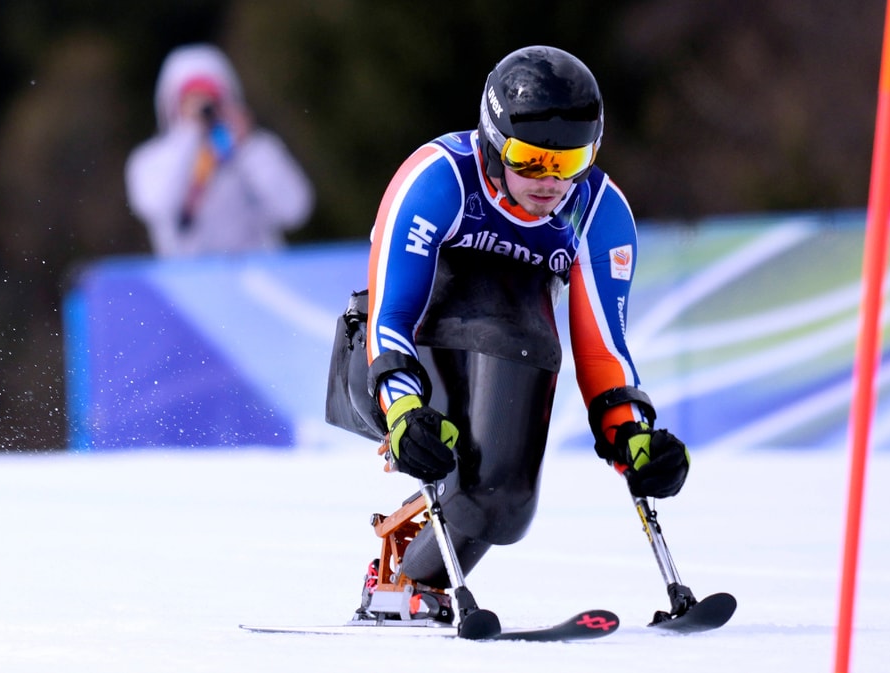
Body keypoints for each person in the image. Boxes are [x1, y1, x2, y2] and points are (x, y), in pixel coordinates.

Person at [324, 45, 692, 625]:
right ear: (494, 143)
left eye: (570, 162)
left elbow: (602, 347)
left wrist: (632, 436)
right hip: (395, 359)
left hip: (512, 350)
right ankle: (410, 571)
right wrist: (404, 412)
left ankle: (413, 578)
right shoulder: (437, 180)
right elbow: (390, 316)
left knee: (504, 505)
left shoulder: (598, 212)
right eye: (529, 160)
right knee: (496, 312)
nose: (550, 182)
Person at [125, 43, 314, 257]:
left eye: (211, 99)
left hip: (256, 277)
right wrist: (189, 136)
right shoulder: (150, 159)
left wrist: (247, 147)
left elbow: (295, 210)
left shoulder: (255, 150)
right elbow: (156, 204)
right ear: (171, 104)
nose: (204, 109)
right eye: (191, 99)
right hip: (187, 283)